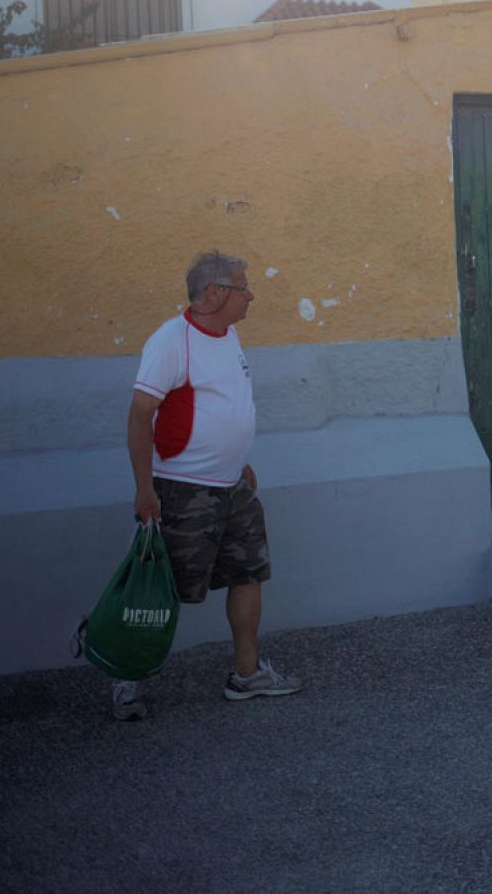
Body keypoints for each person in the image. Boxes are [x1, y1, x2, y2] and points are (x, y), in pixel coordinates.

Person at [114, 250, 303, 720]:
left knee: (248, 572)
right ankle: (125, 678)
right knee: (159, 587)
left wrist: (240, 461)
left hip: (233, 485)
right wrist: (145, 490)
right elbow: (140, 415)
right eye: (243, 287)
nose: (251, 295)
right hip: (183, 489)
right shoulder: (171, 341)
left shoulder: (229, 334)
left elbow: (225, 406)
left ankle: (247, 673)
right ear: (215, 293)